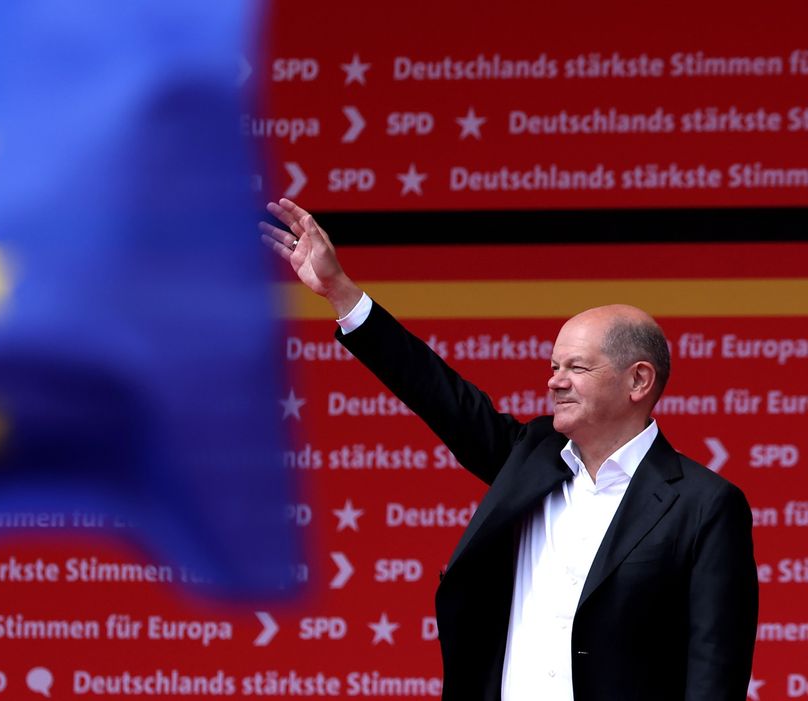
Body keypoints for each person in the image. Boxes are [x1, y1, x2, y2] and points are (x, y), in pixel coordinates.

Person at [261, 198, 758, 701]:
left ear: (639, 381)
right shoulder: (532, 458)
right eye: (553, 367)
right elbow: (440, 396)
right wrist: (343, 295)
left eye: (576, 369)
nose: (555, 382)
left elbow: (715, 669)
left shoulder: (704, 505)